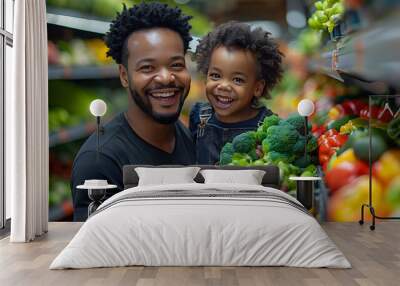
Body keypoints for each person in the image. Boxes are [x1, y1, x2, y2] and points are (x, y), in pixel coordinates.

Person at [71, 2, 196, 221]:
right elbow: (95, 250)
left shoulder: (184, 134)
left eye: (176, 65)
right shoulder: (100, 162)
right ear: (124, 75)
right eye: (148, 68)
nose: (166, 77)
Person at [189, 21, 283, 165]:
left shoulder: (268, 126)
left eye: (237, 80)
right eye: (215, 75)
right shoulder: (198, 116)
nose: (224, 86)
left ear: (257, 88)